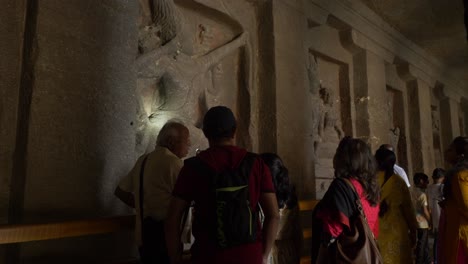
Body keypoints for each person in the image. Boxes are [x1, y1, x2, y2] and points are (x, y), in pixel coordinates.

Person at [165, 106, 280, 264]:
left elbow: (172, 217)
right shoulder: (256, 164)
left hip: (208, 256)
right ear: (234, 131)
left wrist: (176, 257)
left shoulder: (193, 167)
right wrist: (264, 255)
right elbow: (273, 215)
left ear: (205, 133)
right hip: (249, 255)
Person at [115, 121, 190, 264]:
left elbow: (120, 191)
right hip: (168, 239)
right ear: (171, 141)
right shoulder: (174, 163)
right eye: (186, 141)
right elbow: (188, 197)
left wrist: (140, 205)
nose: (189, 146)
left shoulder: (143, 160)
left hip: (144, 236)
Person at [311, 137, 380, 263]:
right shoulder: (371, 189)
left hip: (345, 258)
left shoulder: (341, 186)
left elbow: (332, 232)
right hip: (367, 257)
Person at [375, 148, 417, 264]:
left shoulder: (370, 181)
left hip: (376, 230)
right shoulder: (399, 182)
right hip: (398, 233)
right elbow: (408, 210)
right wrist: (413, 231)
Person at [260, 153, 301, 264]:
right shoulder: (291, 198)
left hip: (268, 253)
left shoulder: (263, 201)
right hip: (288, 251)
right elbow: (297, 232)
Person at [437, 136, 468, 263]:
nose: (446, 152)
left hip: (461, 232)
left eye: (450, 150)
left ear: (460, 155)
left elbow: (466, 205)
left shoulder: (461, 175)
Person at [410, 173, 432, 264]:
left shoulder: (411, 192)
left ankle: (427, 261)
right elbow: (425, 210)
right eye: (427, 181)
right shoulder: (422, 195)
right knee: (422, 245)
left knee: (423, 244)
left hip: (414, 221)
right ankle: (419, 261)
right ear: (421, 181)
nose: (427, 184)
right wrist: (430, 221)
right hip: (423, 223)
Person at [427, 168, 445, 263]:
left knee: (436, 240)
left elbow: (429, 205)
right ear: (442, 177)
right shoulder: (443, 187)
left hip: (434, 216)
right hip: (443, 216)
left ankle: (435, 259)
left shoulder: (429, 188)